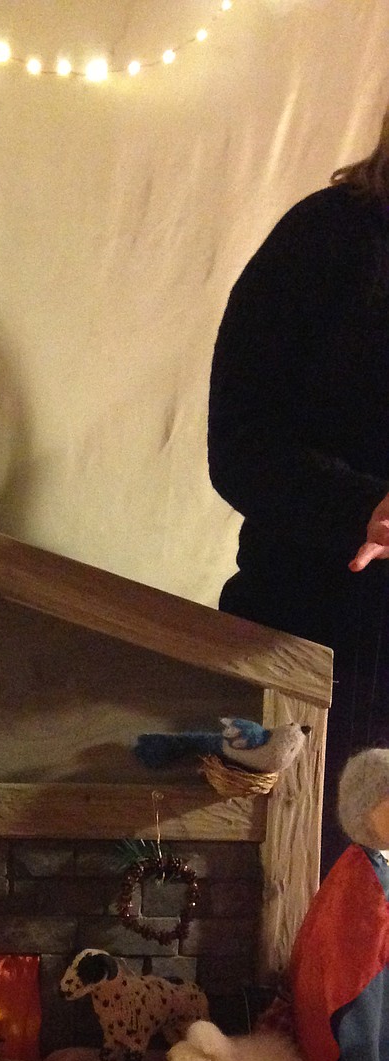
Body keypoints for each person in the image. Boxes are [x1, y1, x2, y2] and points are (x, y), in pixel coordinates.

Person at [208, 99, 389, 870]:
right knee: (306, 931)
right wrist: (365, 508)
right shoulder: (326, 239)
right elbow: (239, 445)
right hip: (319, 657)